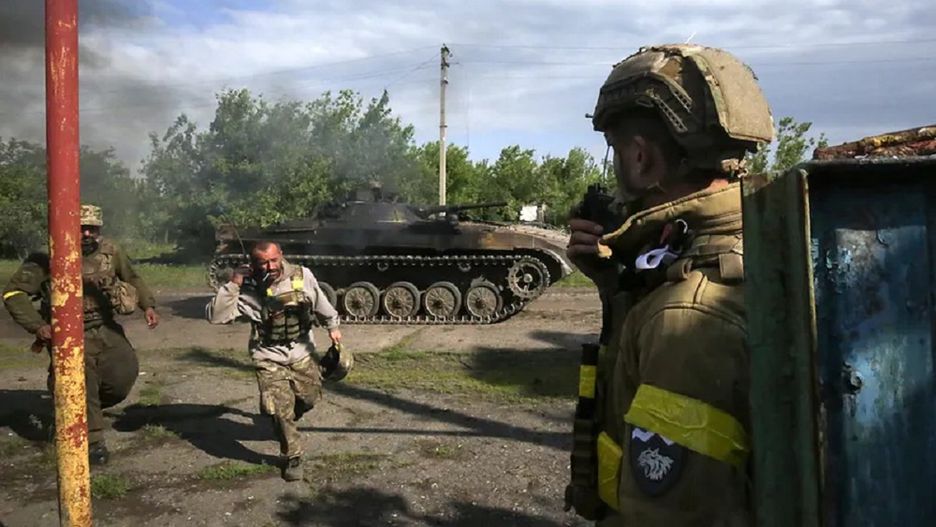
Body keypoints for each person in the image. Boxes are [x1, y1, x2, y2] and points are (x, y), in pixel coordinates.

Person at [563, 44, 775, 525]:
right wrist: (614, 284)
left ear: (640, 157)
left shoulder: (687, 317)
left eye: (616, 149)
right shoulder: (763, 243)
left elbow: (674, 513)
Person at [2, 204, 159, 465]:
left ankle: (78, 405)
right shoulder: (46, 256)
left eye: (91, 229)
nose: (86, 234)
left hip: (106, 327)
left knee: (123, 375)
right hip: (68, 334)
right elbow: (13, 293)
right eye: (81, 229)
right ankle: (93, 440)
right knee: (83, 380)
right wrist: (37, 326)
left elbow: (131, 276)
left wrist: (148, 305)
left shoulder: (110, 251)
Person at [205, 241, 342, 481]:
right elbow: (216, 316)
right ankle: (292, 455)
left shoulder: (301, 275)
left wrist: (333, 326)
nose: (270, 266)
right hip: (268, 355)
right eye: (263, 262)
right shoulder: (245, 287)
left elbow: (320, 301)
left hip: (302, 351)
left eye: (274, 260)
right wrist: (234, 282)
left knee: (309, 398)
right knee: (279, 408)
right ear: (253, 263)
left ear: (281, 256)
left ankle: (290, 414)